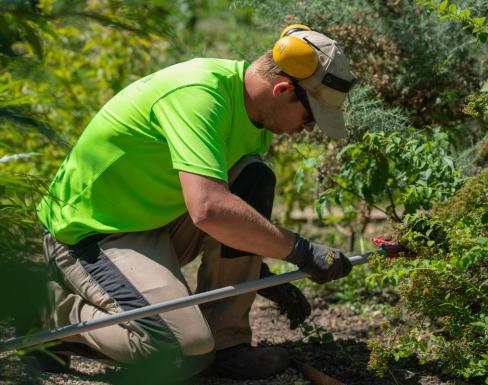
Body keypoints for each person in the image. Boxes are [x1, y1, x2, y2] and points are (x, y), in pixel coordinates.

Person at [31, 24, 356, 380]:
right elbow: (210, 209)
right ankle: (51, 312)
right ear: (281, 89)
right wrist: (300, 251)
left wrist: (258, 272)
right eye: (309, 117)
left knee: (252, 177)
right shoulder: (200, 95)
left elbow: (230, 206)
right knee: (175, 350)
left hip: (153, 221)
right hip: (91, 234)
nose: (308, 129)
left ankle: (226, 343)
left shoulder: (256, 117)